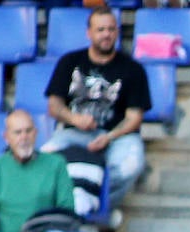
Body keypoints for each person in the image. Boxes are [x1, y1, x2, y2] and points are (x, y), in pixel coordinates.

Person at [42, 7, 151, 211]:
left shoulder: (133, 69)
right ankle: (63, 209)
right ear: (89, 33)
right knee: (42, 161)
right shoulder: (69, 62)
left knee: (131, 165)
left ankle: (97, 211)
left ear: (117, 32)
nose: (106, 34)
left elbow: (134, 117)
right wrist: (75, 119)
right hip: (74, 132)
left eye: (111, 29)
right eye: (100, 30)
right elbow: (54, 106)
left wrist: (109, 136)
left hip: (117, 137)